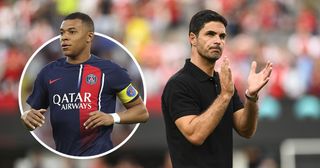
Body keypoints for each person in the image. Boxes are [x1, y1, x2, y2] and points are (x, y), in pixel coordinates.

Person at [21, 12, 149, 156]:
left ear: (89, 37)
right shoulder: (47, 72)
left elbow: (141, 112)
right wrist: (27, 116)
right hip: (60, 155)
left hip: (100, 155)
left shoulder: (111, 71)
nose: (65, 37)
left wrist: (112, 117)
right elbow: (33, 113)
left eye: (72, 32)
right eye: (62, 33)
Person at [161, 10, 272, 168]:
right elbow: (195, 134)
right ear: (192, 38)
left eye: (222, 36)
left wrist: (252, 96)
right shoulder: (179, 84)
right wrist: (225, 96)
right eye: (210, 34)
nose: (218, 41)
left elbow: (246, 130)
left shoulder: (224, 82)